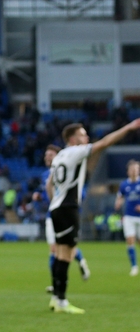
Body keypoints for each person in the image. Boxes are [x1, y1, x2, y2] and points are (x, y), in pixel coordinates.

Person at [46, 119, 140, 314]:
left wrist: (55, 202)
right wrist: (129, 127)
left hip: (57, 207)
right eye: (82, 134)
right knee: (66, 254)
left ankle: (56, 297)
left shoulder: (60, 156)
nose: (86, 137)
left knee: (61, 252)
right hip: (68, 207)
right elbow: (104, 143)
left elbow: (50, 184)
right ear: (73, 139)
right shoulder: (75, 151)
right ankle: (61, 301)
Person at [32, 144, 89, 294]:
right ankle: (57, 285)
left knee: (62, 249)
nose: (47, 158)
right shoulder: (45, 175)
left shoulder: (69, 171)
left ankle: (62, 283)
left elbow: (79, 193)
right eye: (46, 155)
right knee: (56, 250)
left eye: (50, 155)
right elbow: (43, 191)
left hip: (66, 214)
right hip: (53, 215)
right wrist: (38, 196)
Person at [115, 159, 140, 276]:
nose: (134, 171)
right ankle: (134, 267)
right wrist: (118, 202)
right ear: (128, 171)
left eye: (136, 169)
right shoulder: (124, 184)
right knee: (130, 240)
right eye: (132, 169)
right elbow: (120, 196)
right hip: (129, 216)